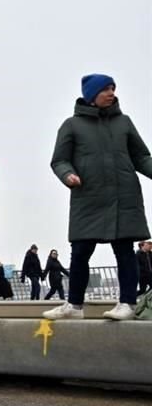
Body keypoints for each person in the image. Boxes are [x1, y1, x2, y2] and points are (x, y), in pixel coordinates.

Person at [45, 75, 152, 320]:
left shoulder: (124, 122)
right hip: (88, 197)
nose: (111, 93)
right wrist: (68, 175)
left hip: (123, 196)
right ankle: (74, 306)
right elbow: (59, 160)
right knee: (81, 251)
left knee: (124, 249)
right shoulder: (71, 125)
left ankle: (126, 303)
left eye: (113, 89)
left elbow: (141, 157)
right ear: (92, 94)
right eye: (106, 89)